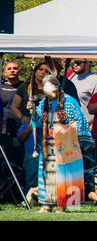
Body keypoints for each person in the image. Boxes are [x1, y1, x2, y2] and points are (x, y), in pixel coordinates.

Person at [28, 75, 90, 213]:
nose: (48, 94)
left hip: (65, 144)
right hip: (48, 144)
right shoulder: (45, 102)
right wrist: (33, 111)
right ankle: (47, 203)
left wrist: (65, 131)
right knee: (48, 172)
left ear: (56, 89)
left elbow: (80, 121)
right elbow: (37, 122)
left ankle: (63, 203)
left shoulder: (69, 101)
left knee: (64, 174)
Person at [13, 63, 49, 194]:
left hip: (46, 127)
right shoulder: (25, 87)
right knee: (32, 161)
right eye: (40, 69)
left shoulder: (51, 88)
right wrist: (22, 117)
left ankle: (44, 192)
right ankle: (30, 192)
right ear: (34, 71)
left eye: (46, 70)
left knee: (47, 161)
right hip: (30, 127)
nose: (43, 72)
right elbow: (14, 107)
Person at [69, 59, 97, 125]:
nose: (75, 65)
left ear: (88, 63)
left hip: (85, 126)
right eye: (74, 62)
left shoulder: (96, 80)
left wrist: (93, 124)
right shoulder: (71, 75)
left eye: (78, 62)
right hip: (68, 124)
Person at [0, 61, 23, 137]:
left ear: (19, 71)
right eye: (9, 69)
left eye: (15, 68)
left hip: (21, 128)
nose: (12, 70)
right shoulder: (1, 87)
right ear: (4, 73)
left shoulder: (26, 87)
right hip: (3, 129)